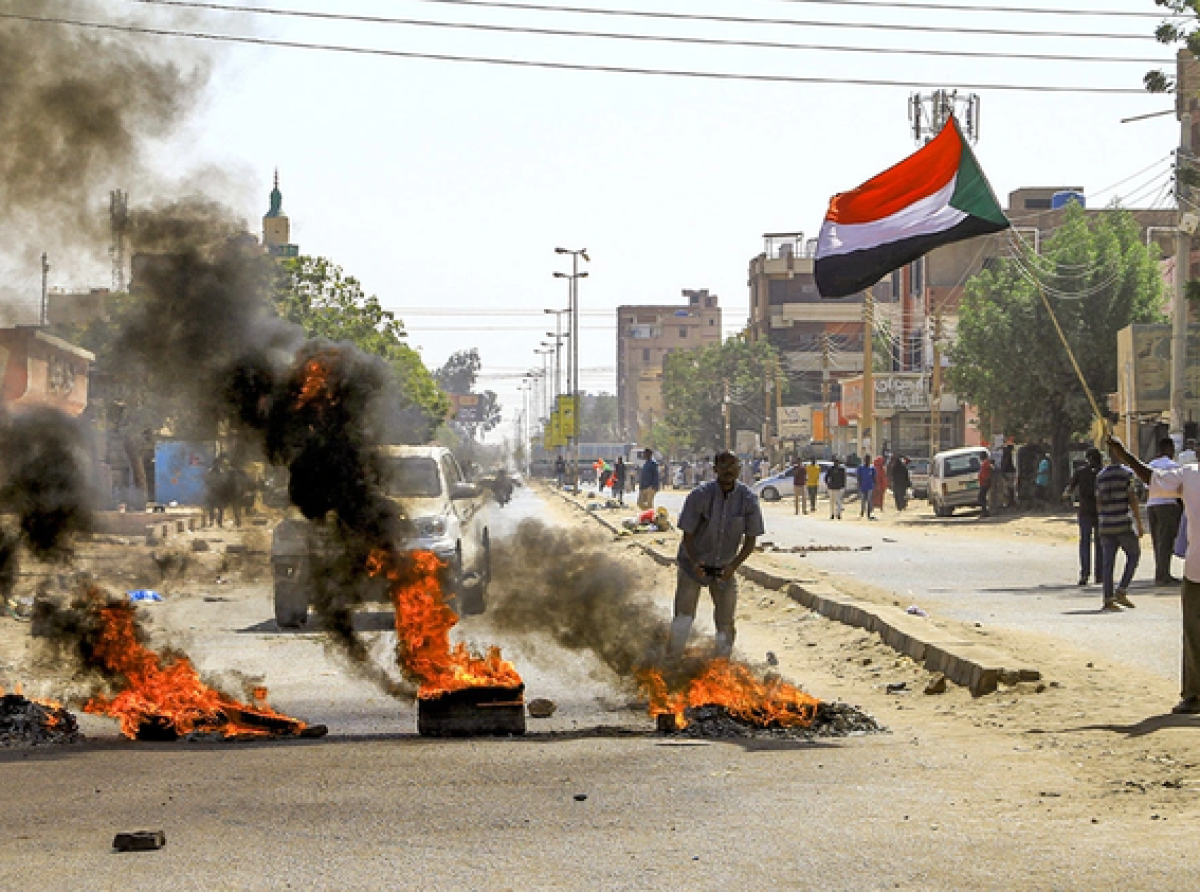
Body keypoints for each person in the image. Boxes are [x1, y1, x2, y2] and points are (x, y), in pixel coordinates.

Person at [1108, 435, 1200, 713]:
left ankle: (1195, 694)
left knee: (1195, 634)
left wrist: (1123, 453)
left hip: (1198, 570)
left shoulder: (1191, 474)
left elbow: (1152, 477)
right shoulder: (1190, 475)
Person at [668, 450, 765, 658]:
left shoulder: (748, 499)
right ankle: (672, 663)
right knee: (683, 619)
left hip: (725, 569)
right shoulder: (699, 495)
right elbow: (688, 536)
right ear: (715, 470)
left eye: (733, 466)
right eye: (724, 466)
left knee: (726, 624)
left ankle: (722, 667)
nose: (728, 470)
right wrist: (695, 562)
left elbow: (750, 541)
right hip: (692, 567)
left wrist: (733, 567)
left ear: (739, 468)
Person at [1096, 451, 1143, 612]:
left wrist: (1102, 517)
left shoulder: (1101, 475)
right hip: (1123, 522)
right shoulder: (1127, 473)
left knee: (1108, 563)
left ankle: (1108, 599)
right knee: (1134, 555)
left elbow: (1099, 500)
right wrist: (1139, 522)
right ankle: (1121, 590)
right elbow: (1132, 498)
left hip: (1106, 523)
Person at [1064, 448, 1103, 587]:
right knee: (1101, 543)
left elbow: (1069, 489)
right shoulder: (1103, 472)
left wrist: (1066, 496)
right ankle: (1100, 575)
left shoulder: (1080, 472)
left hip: (1085, 511)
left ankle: (1085, 574)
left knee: (1085, 542)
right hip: (1100, 511)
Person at [1147, 437, 1183, 587]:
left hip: (1151, 505)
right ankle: (1163, 575)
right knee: (1166, 541)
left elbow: (1145, 486)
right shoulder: (1173, 466)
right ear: (1168, 449)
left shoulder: (1150, 465)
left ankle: (1160, 572)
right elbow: (1179, 488)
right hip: (1167, 505)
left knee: (1157, 541)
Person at [857, 454, 876, 519]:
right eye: (866, 459)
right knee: (863, 500)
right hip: (863, 486)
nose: (867, 460)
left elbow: (874, 477)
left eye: (868, 459)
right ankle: (862, 511)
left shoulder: (872, 468)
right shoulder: (861, 467)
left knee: (869, 499)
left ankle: (869, 512)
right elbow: (859, 477)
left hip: (870, 486)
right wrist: (859, 485)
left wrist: (874, 485)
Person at [1000, 444, 1017, 509]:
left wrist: (1003, 472)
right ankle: (1011, 501)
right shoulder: (1009, 453)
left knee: (1009, 487)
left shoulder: (1007, 454)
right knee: (1010, 487)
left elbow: (1005, 463)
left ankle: (1010, 501)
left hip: (1008, 472)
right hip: (1010, 471)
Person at [978, 453, 994, 518]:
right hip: (983, 483)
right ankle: (984, 511)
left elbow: (991, 468)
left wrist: (987, 479)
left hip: (985, 483)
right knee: (982, 497)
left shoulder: (986, 463)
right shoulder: (984, 463)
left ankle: (985, 512)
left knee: (981, 497)